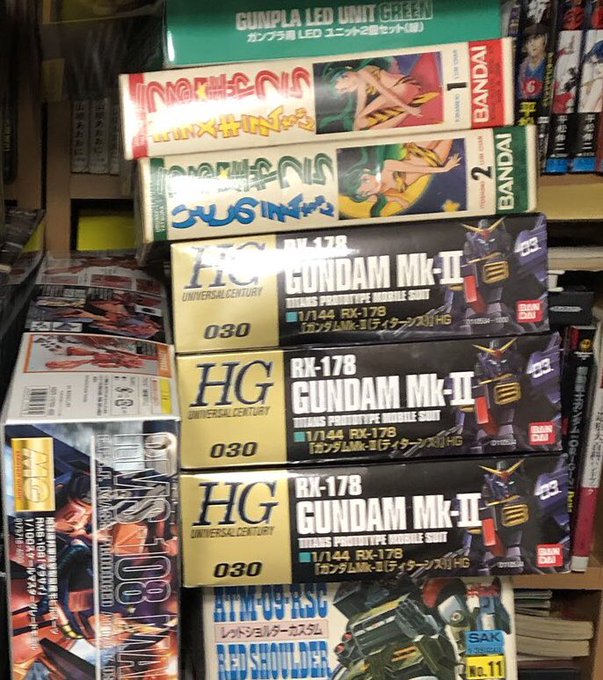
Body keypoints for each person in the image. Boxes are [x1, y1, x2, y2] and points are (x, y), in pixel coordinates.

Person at [340, 139, 461, 217]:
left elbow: (417, 169)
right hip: (435, 160)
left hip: (419, 150)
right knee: (450, 137)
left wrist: (444, 169)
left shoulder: (387, 167)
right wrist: (399, 200)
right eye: (365, 192)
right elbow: (383, 200)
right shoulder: (375, 196)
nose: (370, 188)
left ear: (367, 172)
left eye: (366, 180)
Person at [319, 55, 440, 132]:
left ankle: (409, 108)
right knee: (362, 123)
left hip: (405, 87)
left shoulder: (363, 73)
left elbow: (385, 91)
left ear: (346, 76)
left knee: (361, 119)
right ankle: (408, 110)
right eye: (345, 90)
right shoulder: (360, 82)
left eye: (346, 87)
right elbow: (361, 104)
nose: (349, 90)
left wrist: (407, 107)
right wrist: (356, 128)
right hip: (398, 93)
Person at [517, 23, 548, 100]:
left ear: (545, 39)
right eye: (528, 41)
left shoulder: (549, 64)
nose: (532, 44)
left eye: (536, 38)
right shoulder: (521, 69)